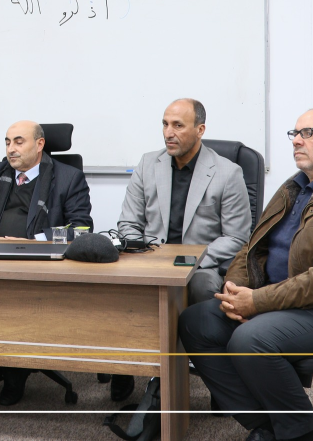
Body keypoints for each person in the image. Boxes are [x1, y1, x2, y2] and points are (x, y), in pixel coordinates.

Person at [179, 109, 313, 441]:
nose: (297, 140)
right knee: (196, 322)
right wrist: (235, 290)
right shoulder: (294, 187)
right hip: (292, 302)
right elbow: (253, 246)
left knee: (251, 339)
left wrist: (258, 301)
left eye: (308, 133)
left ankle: (301, 435)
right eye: (295, 133)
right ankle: (266, 427)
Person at [111, 99, 252, 402]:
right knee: (117, 282)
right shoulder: (148, 164)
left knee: (204, 286)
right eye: (165, 124)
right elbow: (128, 223)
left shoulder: (228, 173)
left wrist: (190, 260)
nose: (168, 133)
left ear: (200, 130)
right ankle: (122, 370)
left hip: (201, 266)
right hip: (151, 258)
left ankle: (220, 381)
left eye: (178, 125)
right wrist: (143, 253)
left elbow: (237, 237)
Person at [0, 120, 93, 405]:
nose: (11, 149)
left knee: (15, 302)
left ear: (40, 144)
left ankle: (14, 373)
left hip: (39, 268)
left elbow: (82, 228)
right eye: (7, 142)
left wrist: (35, 241)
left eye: (19, 142)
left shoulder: (68, 178)